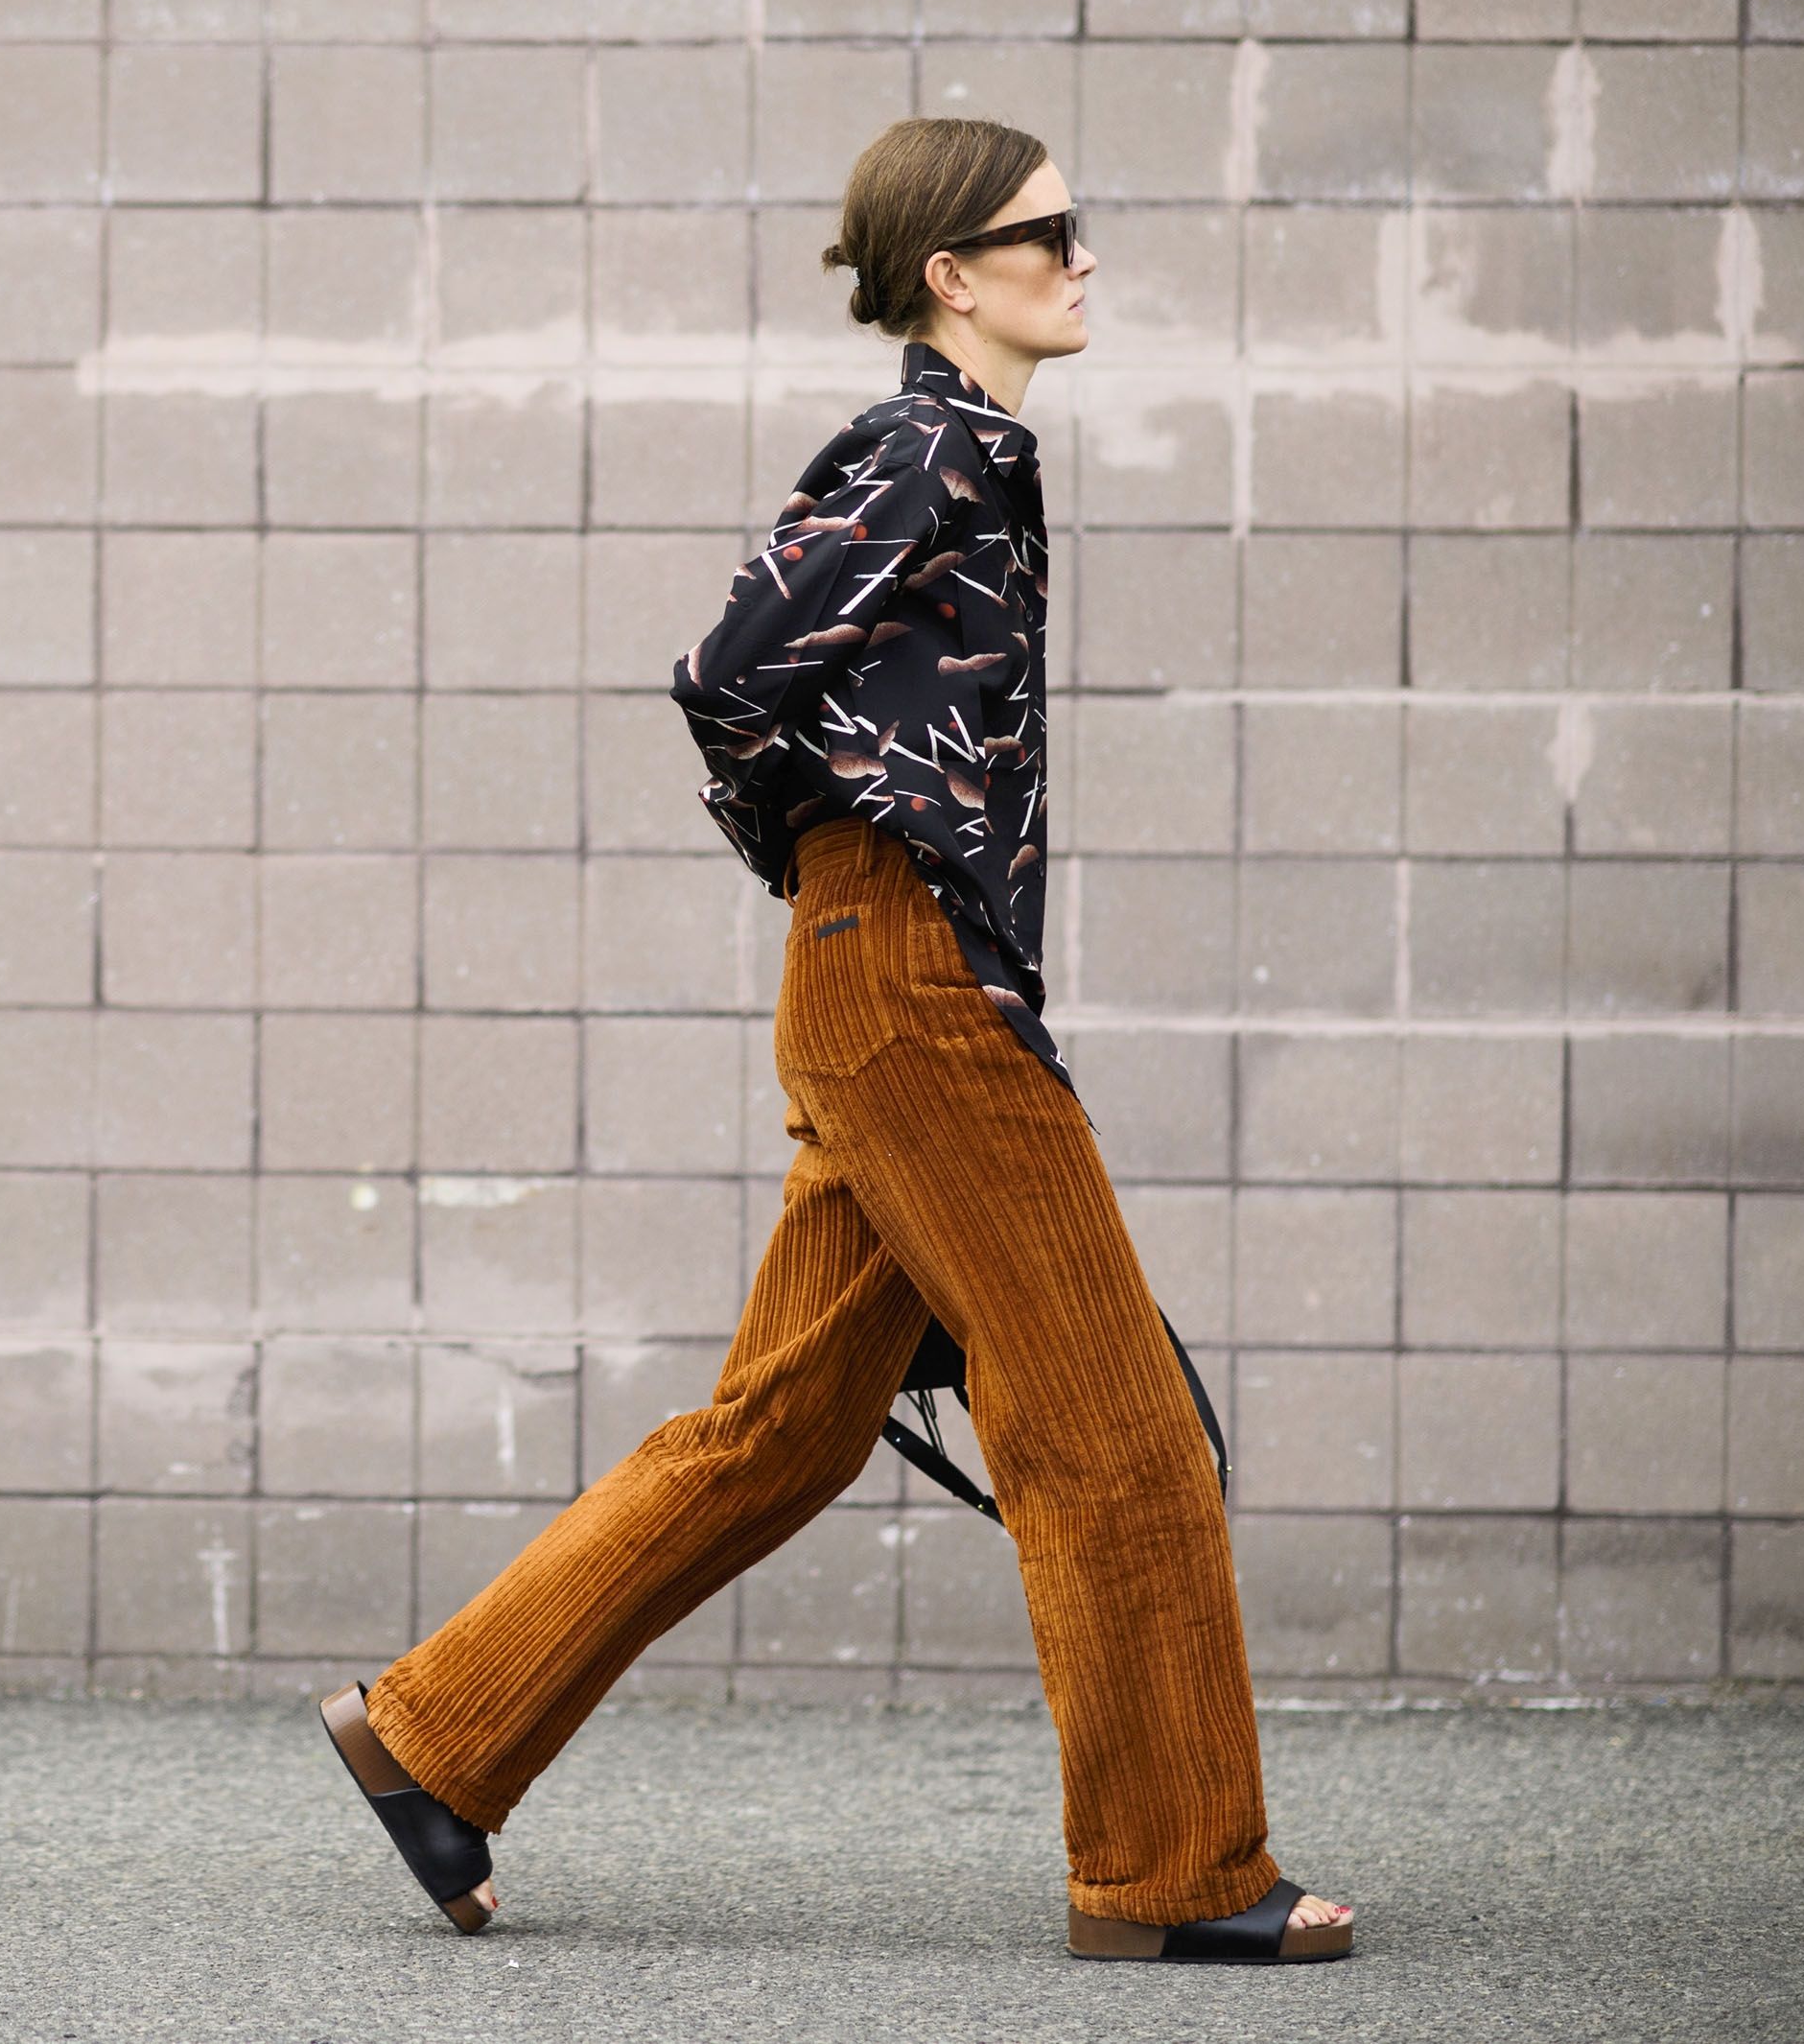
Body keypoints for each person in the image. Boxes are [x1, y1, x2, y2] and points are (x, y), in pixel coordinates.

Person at [317, 116, 1356, 1965]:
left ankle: (435, 1736)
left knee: (780, 1428)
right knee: (1117, 1433)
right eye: (1053, 232)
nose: (1085, 258)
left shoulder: (974, 451)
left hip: (898, 966)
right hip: (906, 985)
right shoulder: (925, 443)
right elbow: (728, 673)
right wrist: (836, 861)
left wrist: (859, 890)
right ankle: (1176, 1872)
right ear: (954, 271)